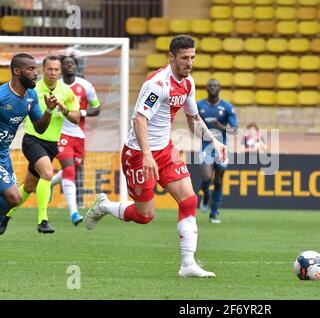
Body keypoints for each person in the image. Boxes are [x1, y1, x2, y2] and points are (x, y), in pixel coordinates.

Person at [84, 35, 226, 278]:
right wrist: (147, 154)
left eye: (192, 57)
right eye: (184, 58)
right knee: (145, 215)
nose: (189, 63)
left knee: (189, 201)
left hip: (165, 150)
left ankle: (188, 264)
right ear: (171, 57)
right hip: (139, 154)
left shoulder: (188, 83)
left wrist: (213, 140)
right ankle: (104, 205)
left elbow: (193, 120)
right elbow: (139, 119)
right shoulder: (157, 84)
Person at [0, 55, 80, 234]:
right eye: (31, 69)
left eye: (35, 69)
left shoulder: (31, 96)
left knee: (17, 195)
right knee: (20, 192)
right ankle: (43, 220)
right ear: (16, 71)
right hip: (31, 142)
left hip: (6, 154)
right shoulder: (2, 96)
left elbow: (40, 127)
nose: (35, 73)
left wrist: (50, 110)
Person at [50, 55, 101, 226]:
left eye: (72, 64)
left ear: (76, 67)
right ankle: (73, 212)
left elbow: (97, 108)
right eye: (66, 64)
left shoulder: (85, 86)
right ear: (61, 68)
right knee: (70, 170)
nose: (69, 66)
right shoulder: (55, 85)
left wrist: (82, 113)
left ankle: (49, 182)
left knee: (71, 170)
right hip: (60, 133)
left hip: (78, 134)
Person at [197, 79, 237, 223]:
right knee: (207, 177)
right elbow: (194, 126)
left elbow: (234, 130)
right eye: (210, 85)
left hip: (222, 147)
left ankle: (213, 214)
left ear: (219, 88)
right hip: (206, 146)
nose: (212, 87)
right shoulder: (199, 106)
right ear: (206, 88)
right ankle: (206, 194)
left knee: (219, 180)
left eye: (215, 85)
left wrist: (219, 125)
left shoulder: (227, 107)